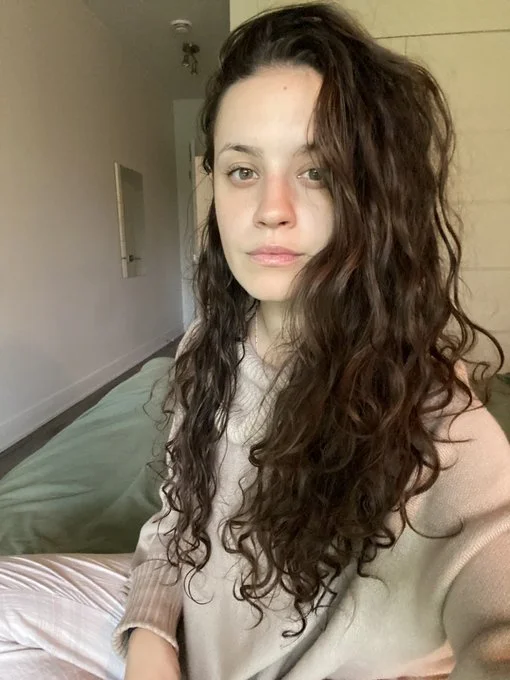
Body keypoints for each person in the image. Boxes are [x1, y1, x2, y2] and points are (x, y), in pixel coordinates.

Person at [1, 2, 509, 679]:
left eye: (317, 171)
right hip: (186, 632)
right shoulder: (206, 345)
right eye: (243, 170)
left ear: (374, 196)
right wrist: (150, 637)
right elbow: (177, 520)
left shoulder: (435, 418)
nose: (271, 209)